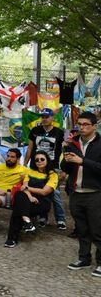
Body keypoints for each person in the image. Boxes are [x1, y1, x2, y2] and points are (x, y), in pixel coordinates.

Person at [61, 111, 101, 277]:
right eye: (80, 124)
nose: (82, 127)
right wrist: (67, 158)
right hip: (76, 192)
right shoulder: (73, 143)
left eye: (86, 124)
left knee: (97, 230)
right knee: (81, 229)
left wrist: (82, 161)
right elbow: (66, 168)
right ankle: (84, 258)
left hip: (95, 193)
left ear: (94, 126)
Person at [4, 151, 58, 248]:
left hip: (42, 203)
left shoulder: (53, 175)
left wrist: (27, 189)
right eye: (36, 160)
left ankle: (12, 238)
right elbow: (23, 187)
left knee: (18, 207)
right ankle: (27, 221)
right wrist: (30, 196)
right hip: (28, 199)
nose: (39, 161)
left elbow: (44, 192)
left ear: (47, 160)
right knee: (20, 197)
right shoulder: (30, 171)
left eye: (42, 159)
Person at [23, 107, 66, 230]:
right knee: (38, 191)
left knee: (55, 194)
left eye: (47, 117)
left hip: (53, 168)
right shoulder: (35, 130)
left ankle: (61, 219)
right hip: (35, 167)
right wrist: (25, 164)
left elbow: (64, 150)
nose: (44, 119)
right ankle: (42, 217)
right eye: (42, 117)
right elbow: (30, 149)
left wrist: (63, 169)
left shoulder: (59, 132)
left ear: (52, 118)